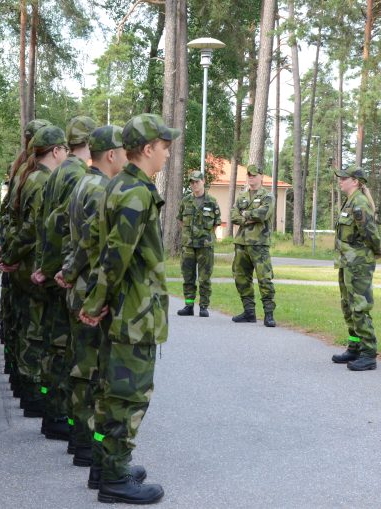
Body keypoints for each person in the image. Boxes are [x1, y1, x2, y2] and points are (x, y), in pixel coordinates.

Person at [79, 113, 179, 505]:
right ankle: (115, 477)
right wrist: (96, 301)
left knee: (109, 392)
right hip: (133, 313)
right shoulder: (136, 192)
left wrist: (96, 301)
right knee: (127, 396)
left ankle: (105, 464)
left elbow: (97, 245)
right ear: (149, 149)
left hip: (120, 309)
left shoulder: (118, 184)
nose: (168, 154)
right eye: (165, 147)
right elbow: (115, 255)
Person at [60, 125, 129, 473]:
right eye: (123, 150)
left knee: (82, 367)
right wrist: (75, 274)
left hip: (80, 286)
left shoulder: (83, 183)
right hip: (90, 290)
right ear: (111, 155)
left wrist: (68, 272)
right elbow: (92, 242)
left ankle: (81, 440)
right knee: (94, 373)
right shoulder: (100, 188)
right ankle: (89, 444)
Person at [32, 115, 97, 442]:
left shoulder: (60, 172)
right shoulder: (77, 175)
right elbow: (63, 226)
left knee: (55, 345)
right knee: (66, 350)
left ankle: (56, 413)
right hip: (64, 273)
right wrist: (60, 269)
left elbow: (48, 222)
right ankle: (63, 417)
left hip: (55, 267)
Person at [0, 125, 68, 417]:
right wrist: (12, 255)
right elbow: (32, 228)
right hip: (33, 265)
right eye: (65, 149)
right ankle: (33, 394)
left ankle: (28, 388)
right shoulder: (41, 181)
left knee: (28, 327)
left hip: (26, 263)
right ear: (55, 151)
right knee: (36, 333)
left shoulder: (30, 175)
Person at [331, 167, 381, 371]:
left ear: (355, 181)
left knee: (359, 306)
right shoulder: (350, 200)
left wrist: (375, 252)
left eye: (344, 178)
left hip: (359, 263)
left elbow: (370, 233)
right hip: (347, 261)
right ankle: (354, 346)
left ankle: (369, 353)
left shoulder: (359, 202)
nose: (340, 181)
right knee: (347, 305)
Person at [230, 164, 276, 327]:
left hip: (259, 244)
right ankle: (249, 312)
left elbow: (263, 214)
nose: (251, 177)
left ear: (261, 176)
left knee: (264, 278)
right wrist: (248, 218)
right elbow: (234, 216)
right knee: (241, 278)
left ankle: (269, 314)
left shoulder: (267, 196)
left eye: (254, 175)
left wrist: (246, 214)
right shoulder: (241, 196)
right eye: (249, 174)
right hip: (241, 243)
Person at [175, 170, 222, 317]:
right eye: (192, 182)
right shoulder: (185, 201)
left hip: (205, 246)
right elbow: (181, 220)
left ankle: (203, 306)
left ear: (203, 181)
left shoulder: (212, 202)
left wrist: (205, 235)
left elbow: (216, 223)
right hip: (188, 245)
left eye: (197, 182)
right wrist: (189, 235)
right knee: (188, 276)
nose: (194, 184)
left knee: (204, 277)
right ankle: (189, 306)